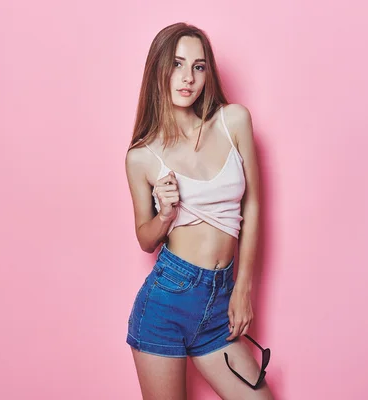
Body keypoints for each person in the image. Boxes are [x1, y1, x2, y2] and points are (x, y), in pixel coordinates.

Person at [125, 22, 274, 400]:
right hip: (166, 302)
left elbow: (253, 202)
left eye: (198, 66)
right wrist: (165, 215)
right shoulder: (142, 156)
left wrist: (243, 288)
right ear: (159, 69)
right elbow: (145, 238)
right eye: (177, 64)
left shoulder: (233, 120)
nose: (187, 77)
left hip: (220, 303)